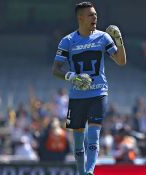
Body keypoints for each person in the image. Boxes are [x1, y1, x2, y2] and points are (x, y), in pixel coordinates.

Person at [52, 2, 126, 175]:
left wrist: (119, 41)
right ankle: (80, 172)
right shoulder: (68, 41)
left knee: (93, 134)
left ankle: (90, 171)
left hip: (98, 92)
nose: (95, 18)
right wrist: (72, 77)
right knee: (78, 141)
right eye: (91, 15)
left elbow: (121, 61)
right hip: (77, 95)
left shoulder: (103, 38)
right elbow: (55, 69)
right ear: (80, 18)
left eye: (96, 14)